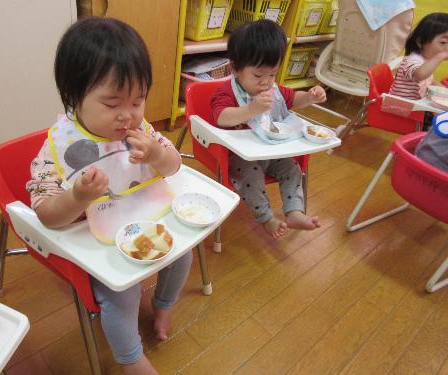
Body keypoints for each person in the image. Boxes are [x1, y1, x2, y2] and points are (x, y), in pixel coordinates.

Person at [26, 18, 190, 375]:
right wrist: (77, 197)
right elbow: (47, 215)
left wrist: (158, 155)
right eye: (113, 103)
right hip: (96, 241)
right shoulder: (58, 148)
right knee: (123, 294)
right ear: (74, 95)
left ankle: (163, 304)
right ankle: (130, 359)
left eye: (138, 100)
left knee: (183, 254)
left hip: (141, 217)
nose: (128, 114)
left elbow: (174, 167)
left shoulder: (139, 131)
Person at [210, 19, 325, 239]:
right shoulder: (226, 92)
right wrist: (251, 109)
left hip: (271, 151)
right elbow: (221, 117)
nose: (266, 82)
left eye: (272, 74)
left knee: (292, 170)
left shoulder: (275, 90)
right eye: (257, 75)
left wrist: (309, 97)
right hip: (238, 157)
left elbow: (293, 100)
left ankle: (294, 212)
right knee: (250, 175)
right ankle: (266, 218)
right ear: (235, 68)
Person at [389, 13, 448, 129]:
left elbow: (427, 81)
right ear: (420, 42)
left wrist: (442, 88)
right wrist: (440, 56)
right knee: (439, 127)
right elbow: (419, 75)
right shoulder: (412, 61)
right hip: (404, 109)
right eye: (443, 43)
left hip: (416, 107)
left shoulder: (425, 61)